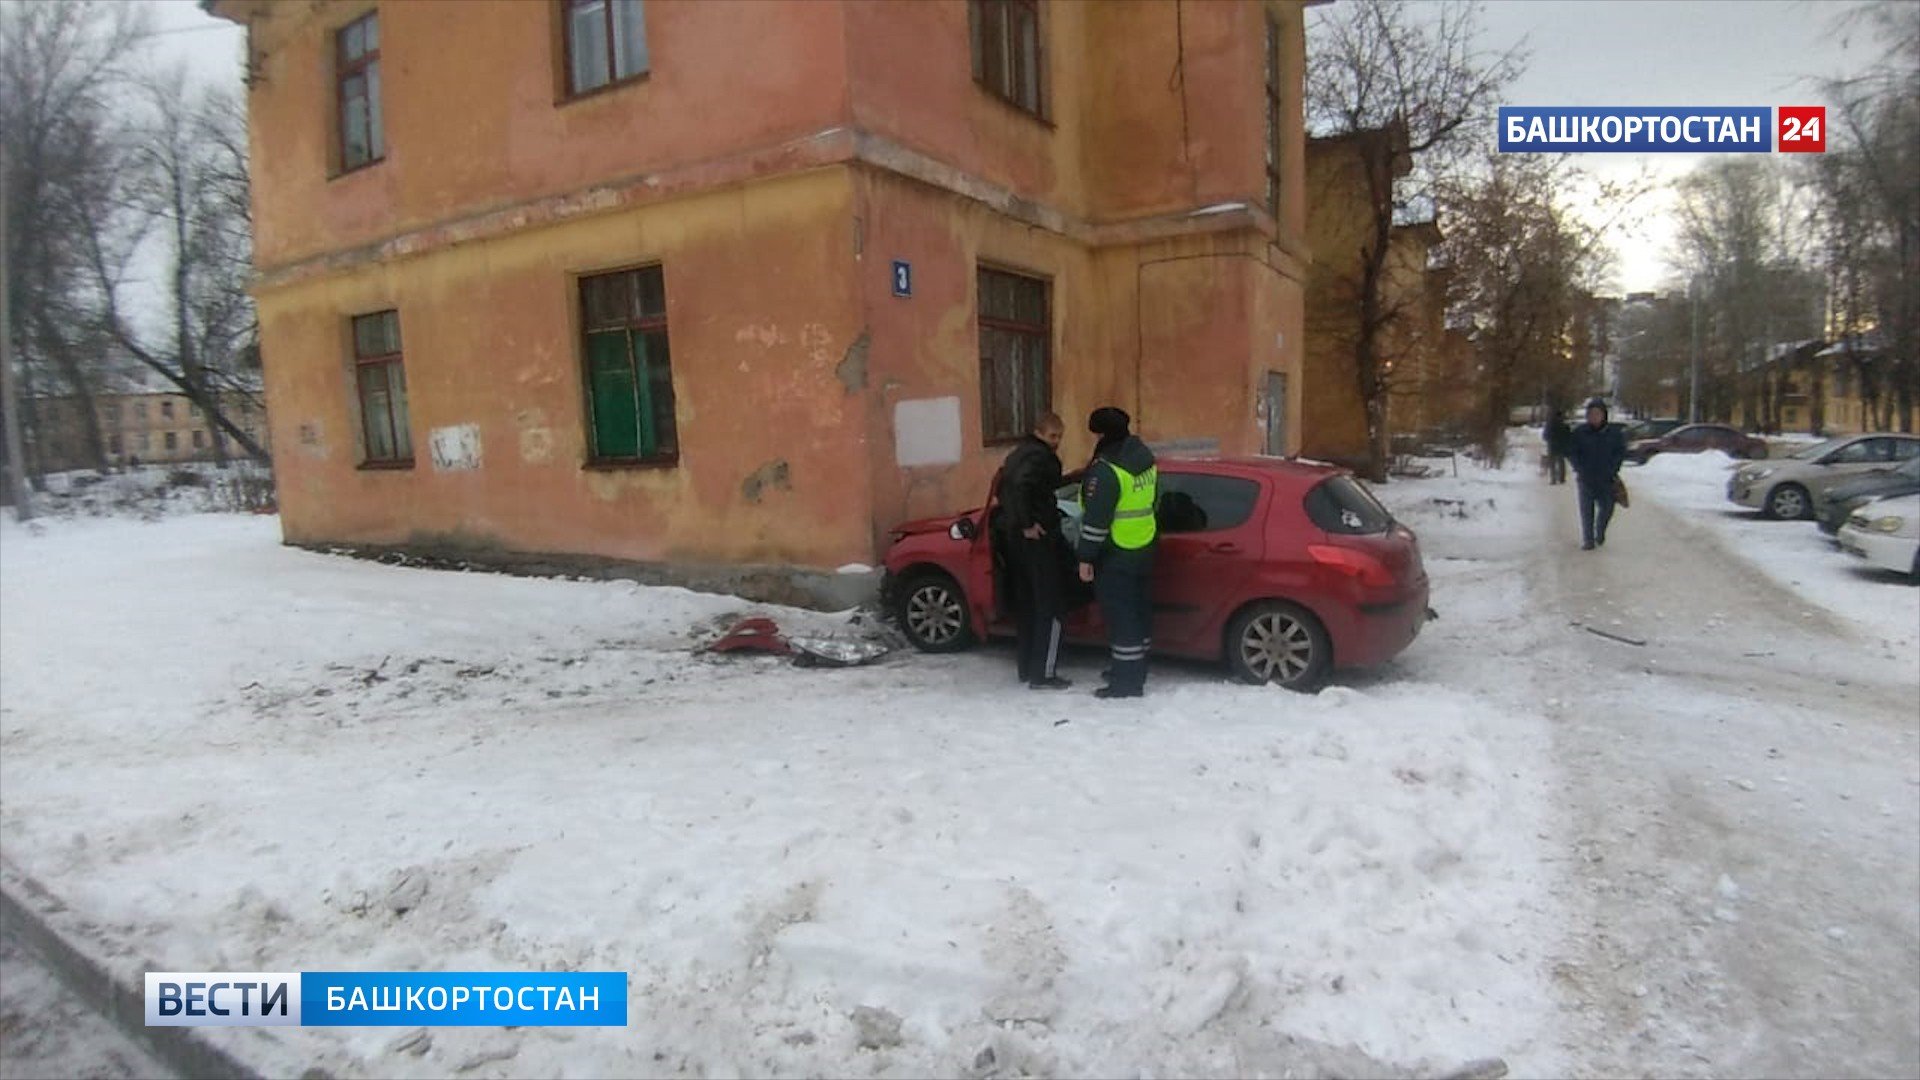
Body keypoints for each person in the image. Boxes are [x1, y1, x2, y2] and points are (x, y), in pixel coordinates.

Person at [1074, 407, 1158, 699]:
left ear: (1102, 433)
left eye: (1095, 432)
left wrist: (1085, 557)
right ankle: (1136, 669)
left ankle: (1125, 682)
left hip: (1116, 550)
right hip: (1143, 544)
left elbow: (1096, 520)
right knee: (1138, 612)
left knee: (1121, 617)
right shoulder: (1144, 456)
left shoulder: (1107, 469)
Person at [998, 412, 1073, 690]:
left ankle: (1027, 667)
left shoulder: (1017, 454)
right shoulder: (1039, 458)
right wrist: (1029, 524)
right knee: (1050, 606)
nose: (1057, 442)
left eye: (1060, 436)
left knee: (1028, 605)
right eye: (1053, 436)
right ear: (1039, 432)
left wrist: (1019, 525)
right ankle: (1044, 673)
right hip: (1038, 540)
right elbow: (1021, 488)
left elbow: (1006, 490)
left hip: (1017, 542)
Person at [1566, 396, 1626, 550]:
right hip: (1586, 478)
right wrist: (1579, 467)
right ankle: (1588, 540)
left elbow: (1620, 452)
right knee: (1587, 511)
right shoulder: (1580, 432)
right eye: (1591, 414)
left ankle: (1600, 530)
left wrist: (1613, 468)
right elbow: (1572, 452)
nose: (1594, 417)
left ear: (1604, 415)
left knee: (1607, 508)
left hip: (1606, 478)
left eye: (1597, 413)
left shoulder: (1614, 433)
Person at [1542, 409, 1571, 485]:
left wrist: (1549, 439)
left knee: (1552, 463)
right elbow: (1568, 435)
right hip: (1561, 446)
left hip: (1551, 446)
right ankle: (1562, 478)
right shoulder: (1564, 424)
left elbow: (1545, 436)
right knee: (1561, 462)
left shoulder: (1549, 425)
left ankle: (1553, 479)